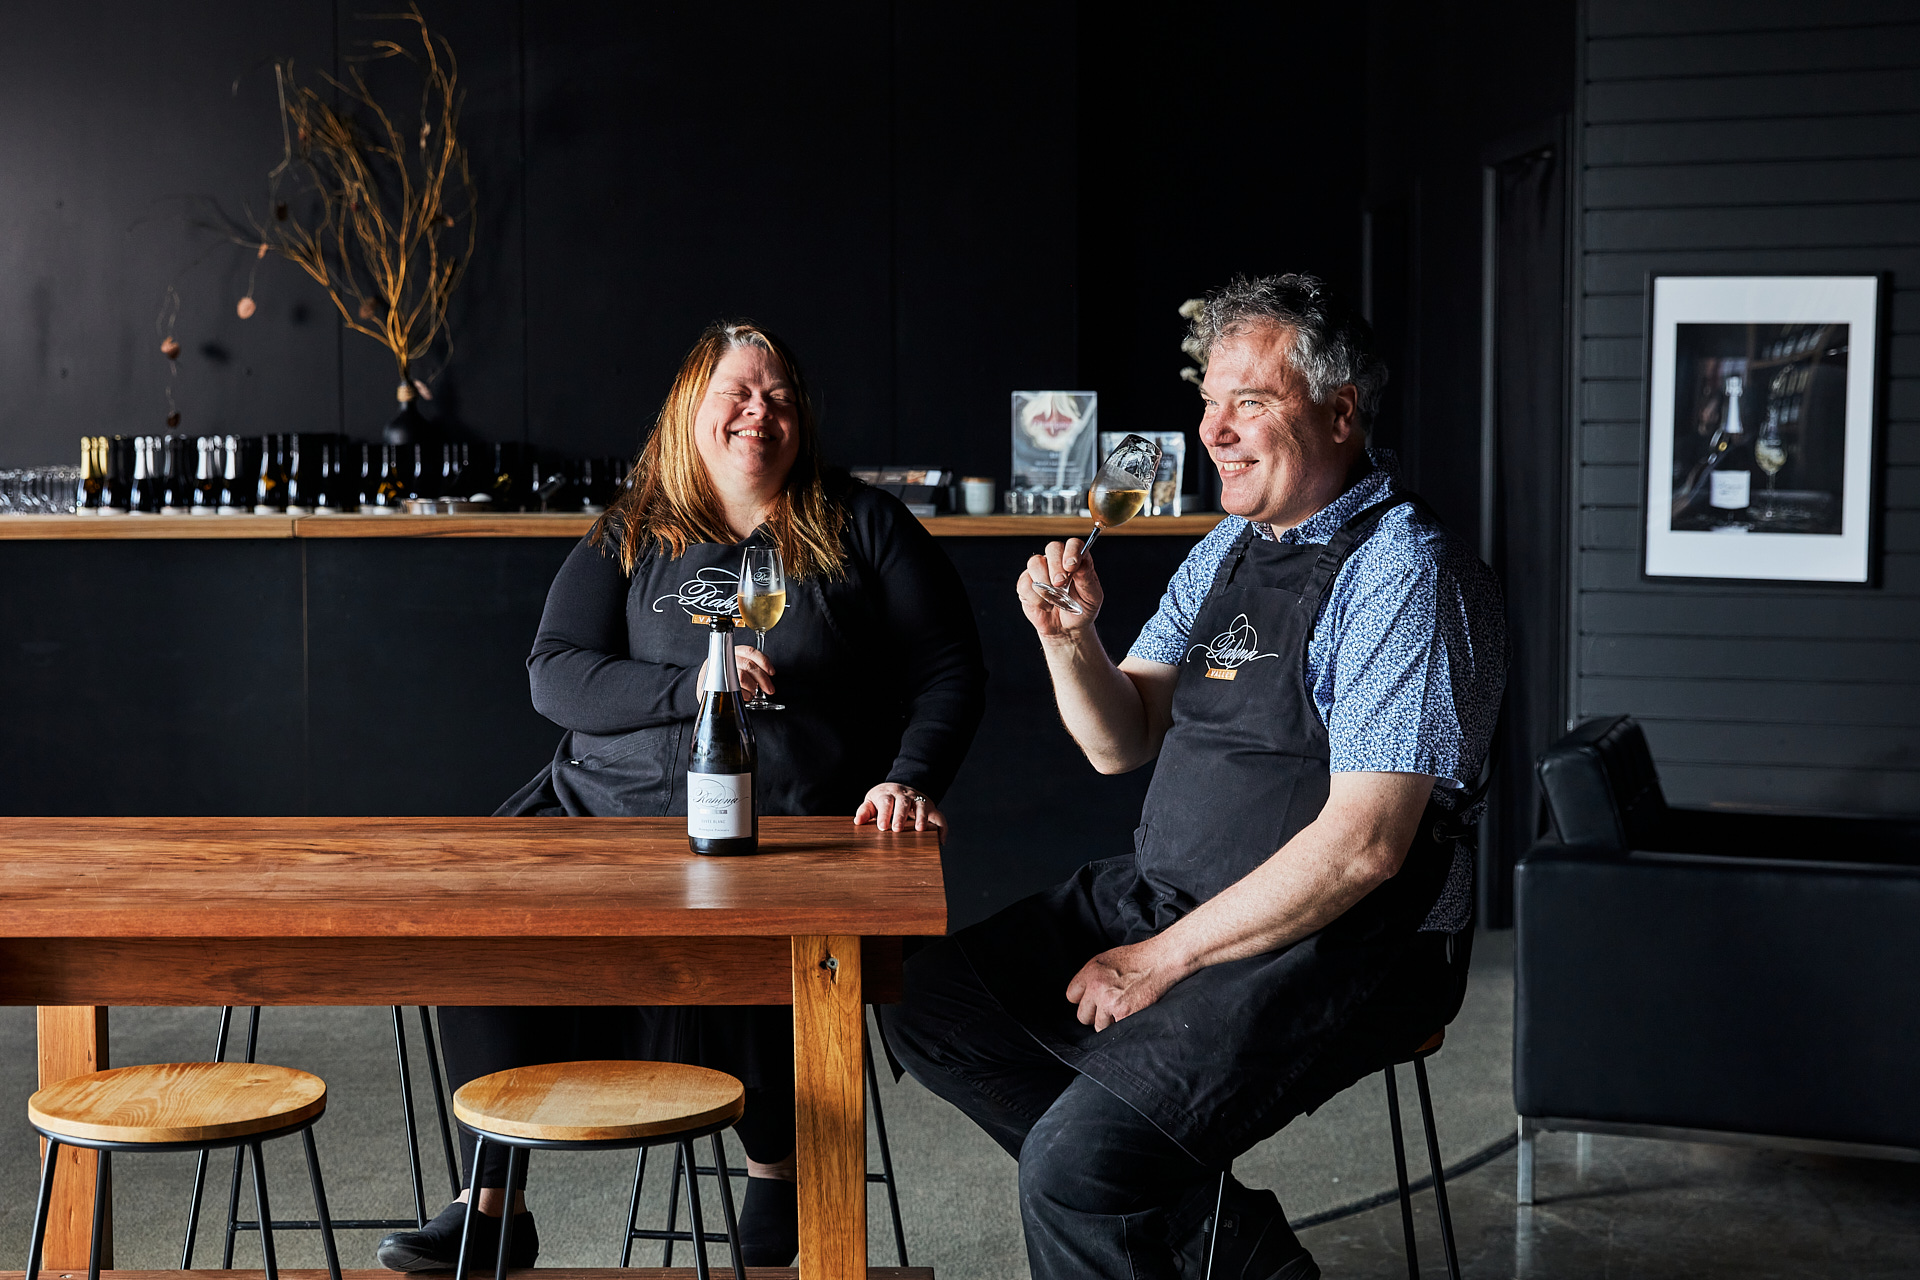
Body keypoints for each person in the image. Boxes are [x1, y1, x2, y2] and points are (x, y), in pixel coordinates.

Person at [883, 274, 1505, 1280]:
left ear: (1340, 410)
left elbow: (1366, 847)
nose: (1215, 430)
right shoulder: (1226, 547)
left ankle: (1128, 1190)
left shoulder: (1402, 573)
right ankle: (1226, 1239)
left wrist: (1158, 957)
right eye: (1209, 401)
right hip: (1172, 891)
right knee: (927, 998)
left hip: (1341, 941)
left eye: (1250, 401)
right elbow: (1117, 737)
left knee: (1076, 1170)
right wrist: (1068, 640)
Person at [377, 320, 986, 1272]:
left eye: (779, 396)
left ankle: (780, 1173)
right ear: (688, 416)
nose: (760, 412)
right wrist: (693, 686)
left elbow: (950, 669)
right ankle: (489, 1202)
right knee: (483, 928)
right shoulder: (633, 530)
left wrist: (909, 778)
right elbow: (554, 674)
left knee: (755, 933)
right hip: (600, 818)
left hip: (784, 826)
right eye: (737, 394)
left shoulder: (862, 525)